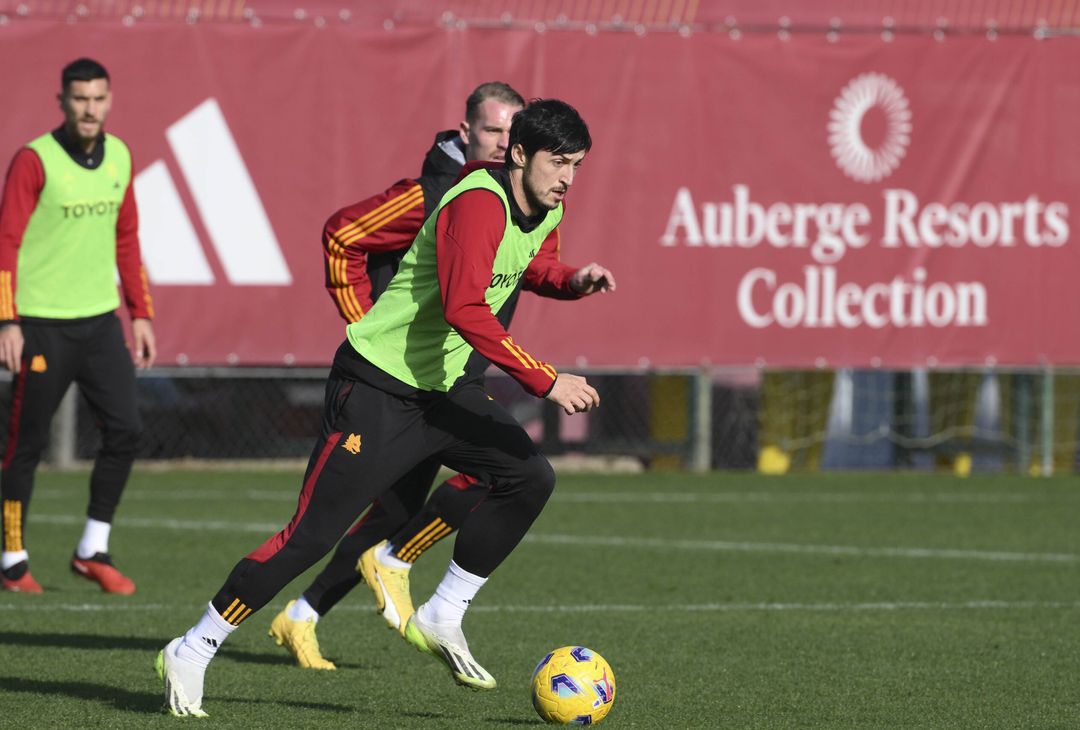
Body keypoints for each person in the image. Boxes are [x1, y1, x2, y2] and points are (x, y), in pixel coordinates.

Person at [157, 99, 610, 717]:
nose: (567, 178)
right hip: (377, 389)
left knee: (529, 475)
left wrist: (571, 281)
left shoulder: (545, 204)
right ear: (519, 155)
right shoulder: (477, 200)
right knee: (309, 539)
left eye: (577, 165)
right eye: (559, 163)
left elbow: (534, 264)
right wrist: (544, 379)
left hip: (442, 391)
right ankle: (195, 646)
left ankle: (443, 612)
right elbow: (465, 309)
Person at [269, 82, 530, 671]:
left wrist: (564, 277)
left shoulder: (511, 200)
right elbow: (342, 234)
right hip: (397, 381)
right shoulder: (432, 193)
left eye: (515, 134)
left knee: (410, 502)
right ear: (465, 133)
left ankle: (306, 613)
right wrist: (366, 328)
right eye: (494, 131)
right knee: (421, 496)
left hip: (448, 377)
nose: (506, 143)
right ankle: (382, 567)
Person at [0, 58, 156, 595]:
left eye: (98, 99)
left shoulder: (120, 155)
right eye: (79, 99)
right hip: (40, 325)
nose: (89, 109)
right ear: (61, 101)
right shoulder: (33, 160)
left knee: (128, 430)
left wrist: (140, 313)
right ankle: (12, 559)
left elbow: (128, 238)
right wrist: (6, 319)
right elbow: (6, 243)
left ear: (109, 101)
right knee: (24, 446)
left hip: (99, 323)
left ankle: (92, 548)